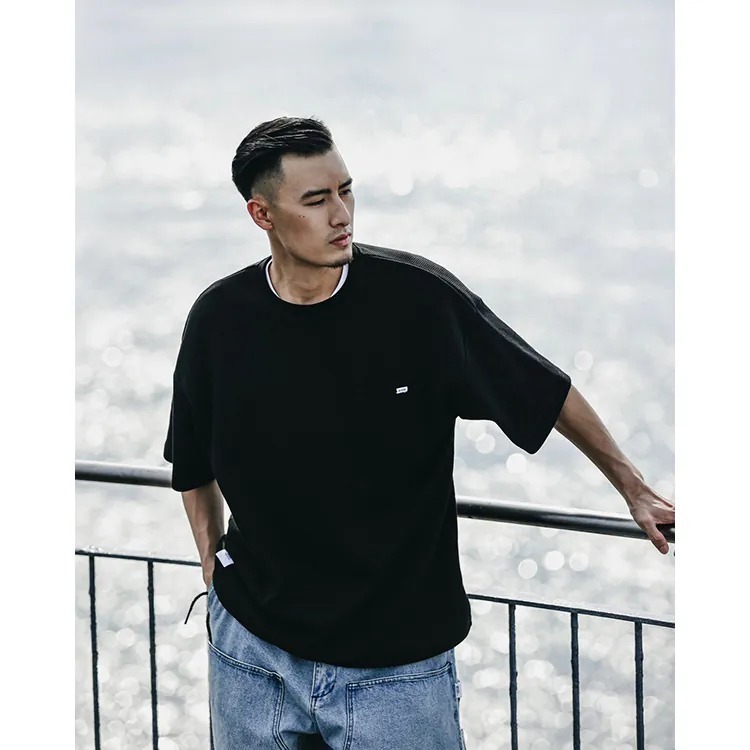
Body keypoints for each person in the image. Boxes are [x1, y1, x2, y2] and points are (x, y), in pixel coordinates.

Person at [164, 116, 675, 750]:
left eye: (346, 191)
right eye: (316, 200)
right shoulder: (218, 320)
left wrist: (633, 487)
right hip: (252, 655)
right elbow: (191, 460)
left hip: (396, 669)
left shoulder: (418, 301)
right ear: (261, 214)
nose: (341, 215)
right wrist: (212, 569)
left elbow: (544, 390)